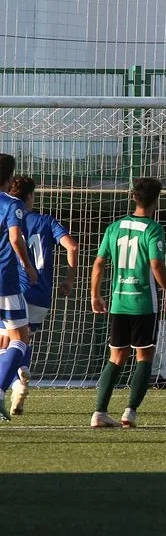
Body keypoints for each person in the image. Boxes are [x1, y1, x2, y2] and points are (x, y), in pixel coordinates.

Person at [89, 178, 166, 428]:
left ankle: (99, 412)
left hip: (118, 302)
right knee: (144, 357)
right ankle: (130, 413)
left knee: (116, 358)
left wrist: (95, 294)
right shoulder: (153, 229)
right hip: (144, 304)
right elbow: (156, 264)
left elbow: (98, 263)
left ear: (133, 197)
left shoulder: (114, 227)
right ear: (156, 200)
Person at [5, 176, 78, 415]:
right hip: (41, 294)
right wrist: (68, 279)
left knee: (7, 343)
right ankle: (20, 378)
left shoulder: (7, 216)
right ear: (29, 196)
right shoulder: (47, 221)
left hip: (11, 287)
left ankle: (16, 383)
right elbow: (72, 247)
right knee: (24, 340)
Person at [0, 154, 38, 421]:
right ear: (9, 178)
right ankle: (3, 386)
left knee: (4, 338)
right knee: (21, 339)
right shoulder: (11, 204)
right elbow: (15, 237)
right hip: (5, 279)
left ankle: (10, 385)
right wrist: (27, 265)